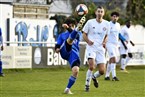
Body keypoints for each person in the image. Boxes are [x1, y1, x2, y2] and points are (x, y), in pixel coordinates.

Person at [55, 16, 86, 94]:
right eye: (70, 25)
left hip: (74, 54)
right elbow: (57, 45)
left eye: (73, 25)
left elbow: (74, 34)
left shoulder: (78, 34)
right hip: (65, 51)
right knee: (69, 41)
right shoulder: (62, 35)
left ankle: (67, 89)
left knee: (76, 71)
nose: (71, 26)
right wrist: (57, 49)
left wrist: (69, 28)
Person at [82, 6, 110, 92]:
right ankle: (87, 85)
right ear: (95, 12)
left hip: (100, 49)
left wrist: (105, 42)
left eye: (101, 11)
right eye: (98, 11)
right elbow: (84, 34)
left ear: (103, 13)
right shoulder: (90, 22)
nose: (100, 13)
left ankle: (94, 77)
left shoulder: (107, 24)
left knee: (102, 71)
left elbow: (106, 36)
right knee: (92, 66)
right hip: (91, 48)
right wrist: (88, 41)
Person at [104, 12, 127, 81]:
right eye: (114, 16)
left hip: (115, 45)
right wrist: (104, 42)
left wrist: (124, 39)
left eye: (116, 17)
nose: (115, 18)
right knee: (113, 58)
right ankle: (114, 76)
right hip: (109, 44)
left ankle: (107, 76)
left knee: (111, 60)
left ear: (118, 18)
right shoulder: (108, 24)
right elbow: (105, 34)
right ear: (111, 17)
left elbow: (119, 34)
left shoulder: (118, 25)